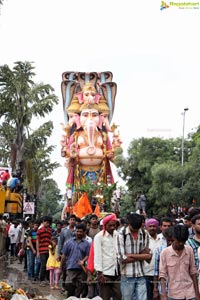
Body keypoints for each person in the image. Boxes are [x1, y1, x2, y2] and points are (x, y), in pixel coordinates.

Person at [159, 224, 200, 300]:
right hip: (174, 294)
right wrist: (163, 294)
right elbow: (162, 275)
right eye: (179, 241)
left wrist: (197, 294)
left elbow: (193, 273)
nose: (181, 243)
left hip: (190, 293)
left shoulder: (189, 250)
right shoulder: (165, 253)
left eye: (183, 241)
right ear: (174, 238)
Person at [117, 213, 151, 300]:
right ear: (129, 224)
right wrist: (141, 256)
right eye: (133, 229)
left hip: (141, 274)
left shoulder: (144, 233)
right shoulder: (121, 234)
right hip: (127, 275)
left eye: (137, 229)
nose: (135, 231)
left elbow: (148, 256)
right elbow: (122, 259)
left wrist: (130, 255)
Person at [94, 214, 121, 300]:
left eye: (114, 225)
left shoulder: (118, 235)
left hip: (117, 271)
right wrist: (99, 273)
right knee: (105, 297)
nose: (112, 227)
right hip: (105, 273)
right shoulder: (99, 237)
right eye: (110, 225)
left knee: (119, 295)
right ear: (105, 226)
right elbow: (97, 255)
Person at [60, 223, 90, 297]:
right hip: (70, 267)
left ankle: (76, 297)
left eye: (81, 231)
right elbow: (64, 255)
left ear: (84, 232)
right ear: (75, 231)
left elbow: (88, 255)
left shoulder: (87, 244)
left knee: (81, 286)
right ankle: (70, 296)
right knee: (68, 284)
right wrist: (61, 267)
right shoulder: (69, 242)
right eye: (77, 231)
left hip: (81, 269)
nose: (79, 233)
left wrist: (83, 261)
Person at [144, 218, 163, 300]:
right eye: (150, 226)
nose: (152, 228)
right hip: (146, 274)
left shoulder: (162, 240)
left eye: (154, 226)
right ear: (146, 228)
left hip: (159, 274)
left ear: (157, 227)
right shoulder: (143, 240)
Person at [36, 216, 52, 287]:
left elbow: (51, 240)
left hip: (49, 251)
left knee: (48, 266)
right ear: (43, 222)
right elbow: (37, 241)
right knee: (43, 266)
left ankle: (47, 279)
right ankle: (41, 280)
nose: (47, 224)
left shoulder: (50, 230)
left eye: (48, 223)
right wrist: (38, 252)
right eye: (46, 222)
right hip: (42, 251)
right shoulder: (39, 231)